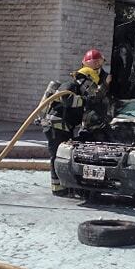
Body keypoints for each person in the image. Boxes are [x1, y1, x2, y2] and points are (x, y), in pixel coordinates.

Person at [39, 48, 110, 196]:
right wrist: (87, 101)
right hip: (55, 125)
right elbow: (66, 99)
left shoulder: (82, 83)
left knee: (63, 155)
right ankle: (58, 189)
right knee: (57, 156)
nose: (88, 83)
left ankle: (66, 186)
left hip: (64, 126)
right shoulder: (71, 83)